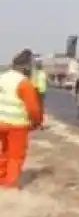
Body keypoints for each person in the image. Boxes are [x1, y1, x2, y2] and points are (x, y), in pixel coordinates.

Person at [0, 49, 43, 188]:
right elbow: (33, 109)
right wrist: (36, 122)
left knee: (5, 151)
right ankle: (10, 183)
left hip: (1, 121)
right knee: (15, 155)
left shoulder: (2, 77)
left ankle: (1, 177)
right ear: (26, 66)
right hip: (16, 125)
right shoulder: (24, 83)